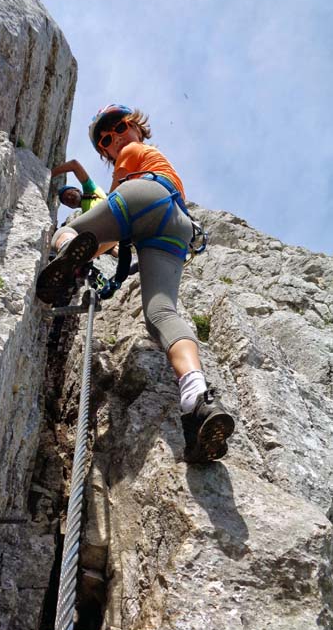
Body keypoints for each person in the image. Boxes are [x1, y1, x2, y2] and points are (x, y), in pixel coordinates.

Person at [36, 104, 234, 463]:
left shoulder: (132, 153)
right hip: (177, 225)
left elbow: (117, 207)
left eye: (119, 129)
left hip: (142, 198)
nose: (113, 140)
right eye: (105, 140)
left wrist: (84, 251)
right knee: (160, 312)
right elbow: (114, 237)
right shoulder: (163, 163)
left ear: (135, 128)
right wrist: (97, 249)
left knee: (66, 231)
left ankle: (66, 252)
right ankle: (197, 398)